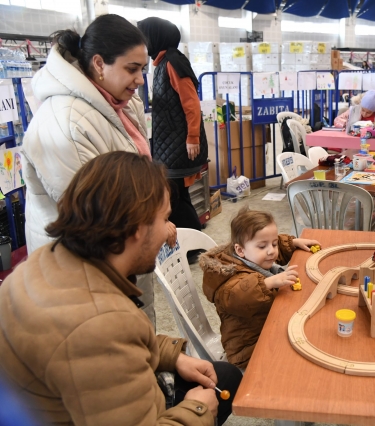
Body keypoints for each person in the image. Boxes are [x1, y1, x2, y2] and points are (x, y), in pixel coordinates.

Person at [0, 152, 243, 425]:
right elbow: (106, 338)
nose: (167, 232)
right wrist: (197, 411)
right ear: (138, 228)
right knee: (220, 390)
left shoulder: (48, 261)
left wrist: (172, 356)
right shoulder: (101, 324)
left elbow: (113, 346)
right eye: (164, 219)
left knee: (225, 375)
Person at [21, 14, 174, 325]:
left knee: (138, 330)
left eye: (143, 69)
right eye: (132, 69)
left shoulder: (119, 101)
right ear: (99, 64)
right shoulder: (66, 123)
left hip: (125, 250)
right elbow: (98, 219)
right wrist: (154, 224)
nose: (141, 80)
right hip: (88, 268)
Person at [199, 208, 319, 369]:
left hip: (266, 326)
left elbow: (268, 245)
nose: (271, 251)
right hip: (248, 348)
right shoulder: (227, 276)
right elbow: (236, 296)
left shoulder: (252, 254)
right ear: (240, 250)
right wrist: (268, 283)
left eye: (275, 243)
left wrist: (292, 243)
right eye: (262, 246)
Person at [138, 18, 208, 234]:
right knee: (177, 194)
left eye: (144, 37)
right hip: (168, 141)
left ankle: (193, 244)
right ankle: (190, 241)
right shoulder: (161, 63)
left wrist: (193, 138)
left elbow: (191, 103)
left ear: (155, 37)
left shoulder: (173, 63)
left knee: (173, 195)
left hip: (178, 142)